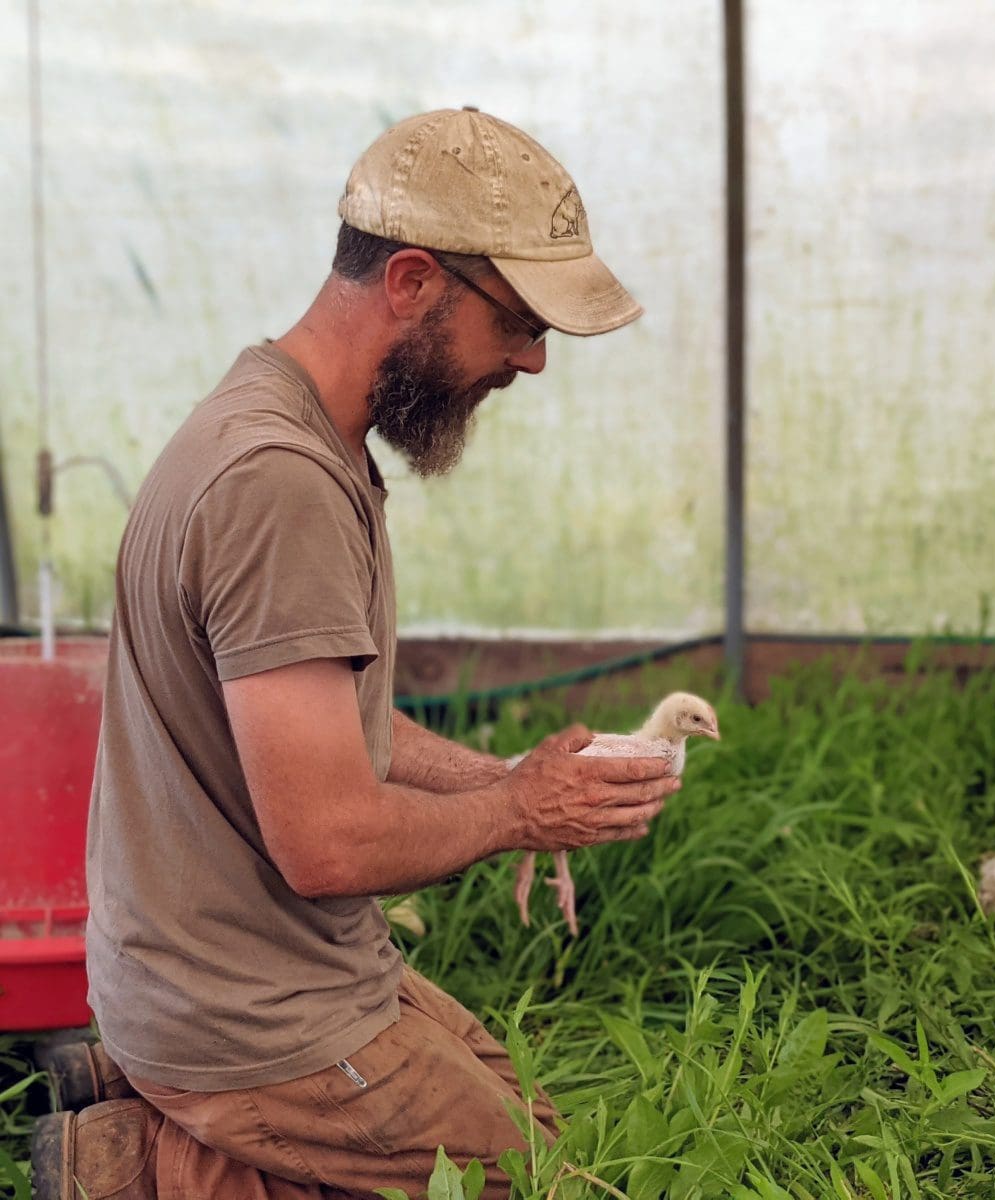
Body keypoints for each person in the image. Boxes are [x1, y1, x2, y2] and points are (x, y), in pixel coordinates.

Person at [30, 107, 680, 1200]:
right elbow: (327, 844)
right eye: (521, 323)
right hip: (242, 1006)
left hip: (232, 969)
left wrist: (505, 778)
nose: (529, 363)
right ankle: (123, 1163)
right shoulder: (278, 485)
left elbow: (334, 727)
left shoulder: (287, 419)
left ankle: (127, 1075)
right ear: (415, 281)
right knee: (519, 1180)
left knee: (519, 1113)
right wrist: (524, 816)